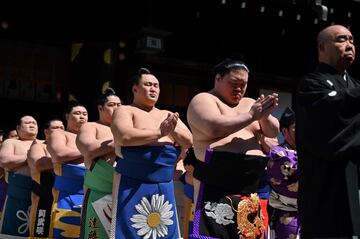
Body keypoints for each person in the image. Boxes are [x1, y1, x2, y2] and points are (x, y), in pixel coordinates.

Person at [186, 58, 279, 239]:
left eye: (243, 84)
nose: (239, 89)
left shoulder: (249, 103)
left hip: (250, 192)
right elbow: (214, 127)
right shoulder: (204, 99)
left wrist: (264, 116)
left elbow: (272, 131)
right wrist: (252, 115)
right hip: (215, 188)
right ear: (218, 78)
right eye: (234, 83)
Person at [110, 67, 193, 238]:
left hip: (164, 183)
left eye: (156, 85)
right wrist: (159, 133)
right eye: (148, 84)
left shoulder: (167, 114)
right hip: (131, 182)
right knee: (129, 230)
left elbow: (189, 140)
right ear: (135, 89)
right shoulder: (125, 110)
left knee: (164, 231)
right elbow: (124, 136)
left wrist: (172, 130)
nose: (153, 88)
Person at [296, 24, 360, 238]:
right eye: (342, 39)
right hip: (324, 190)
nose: (349, 44)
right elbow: (327, 131)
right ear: (322, 47)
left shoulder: (355, 85)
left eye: (352, 40)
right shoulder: (311, 85)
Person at [76, 88, 121, 239]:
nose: (117, 108)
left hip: (124, 190)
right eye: (112, 105)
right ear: (100, 108)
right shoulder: (90, 126)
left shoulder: (127, 129)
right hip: (99, 191)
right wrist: (122, 142)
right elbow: (88, 149)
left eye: (120, 105)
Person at [47, 101, 88, 239]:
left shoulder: (92, 134)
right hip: (67, 193)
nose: (81, 116)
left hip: (93, 193)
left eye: (84, 114)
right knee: (65, 233)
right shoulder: (59, 134)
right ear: (67, 116)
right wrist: (91, 151)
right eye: (77, 113)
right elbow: (60, 154)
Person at [0, 115, 39, 237]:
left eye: (34, 123)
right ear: (18, 127)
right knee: (13, 231)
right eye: (27, 123)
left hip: (41, 192)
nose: (32, 125)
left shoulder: (44, 143)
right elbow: (5, 161)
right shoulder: (11, 142)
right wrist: (32, 158)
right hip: (17, 192)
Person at [27, 118, 65, 238]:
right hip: (43, 196)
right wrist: (66, 158)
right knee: (40, 234)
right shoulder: (39, 146)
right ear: (46, 132)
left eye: (61, 128)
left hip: (62, 197)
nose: (59, 130)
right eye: (55, 128)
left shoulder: (71, 146)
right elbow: (39, 165)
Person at [267, 107, 299, 239]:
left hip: (312, 213)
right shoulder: (277, 152)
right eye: (297, 127)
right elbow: (291, 170)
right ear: (285, 131)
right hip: (287, 215)